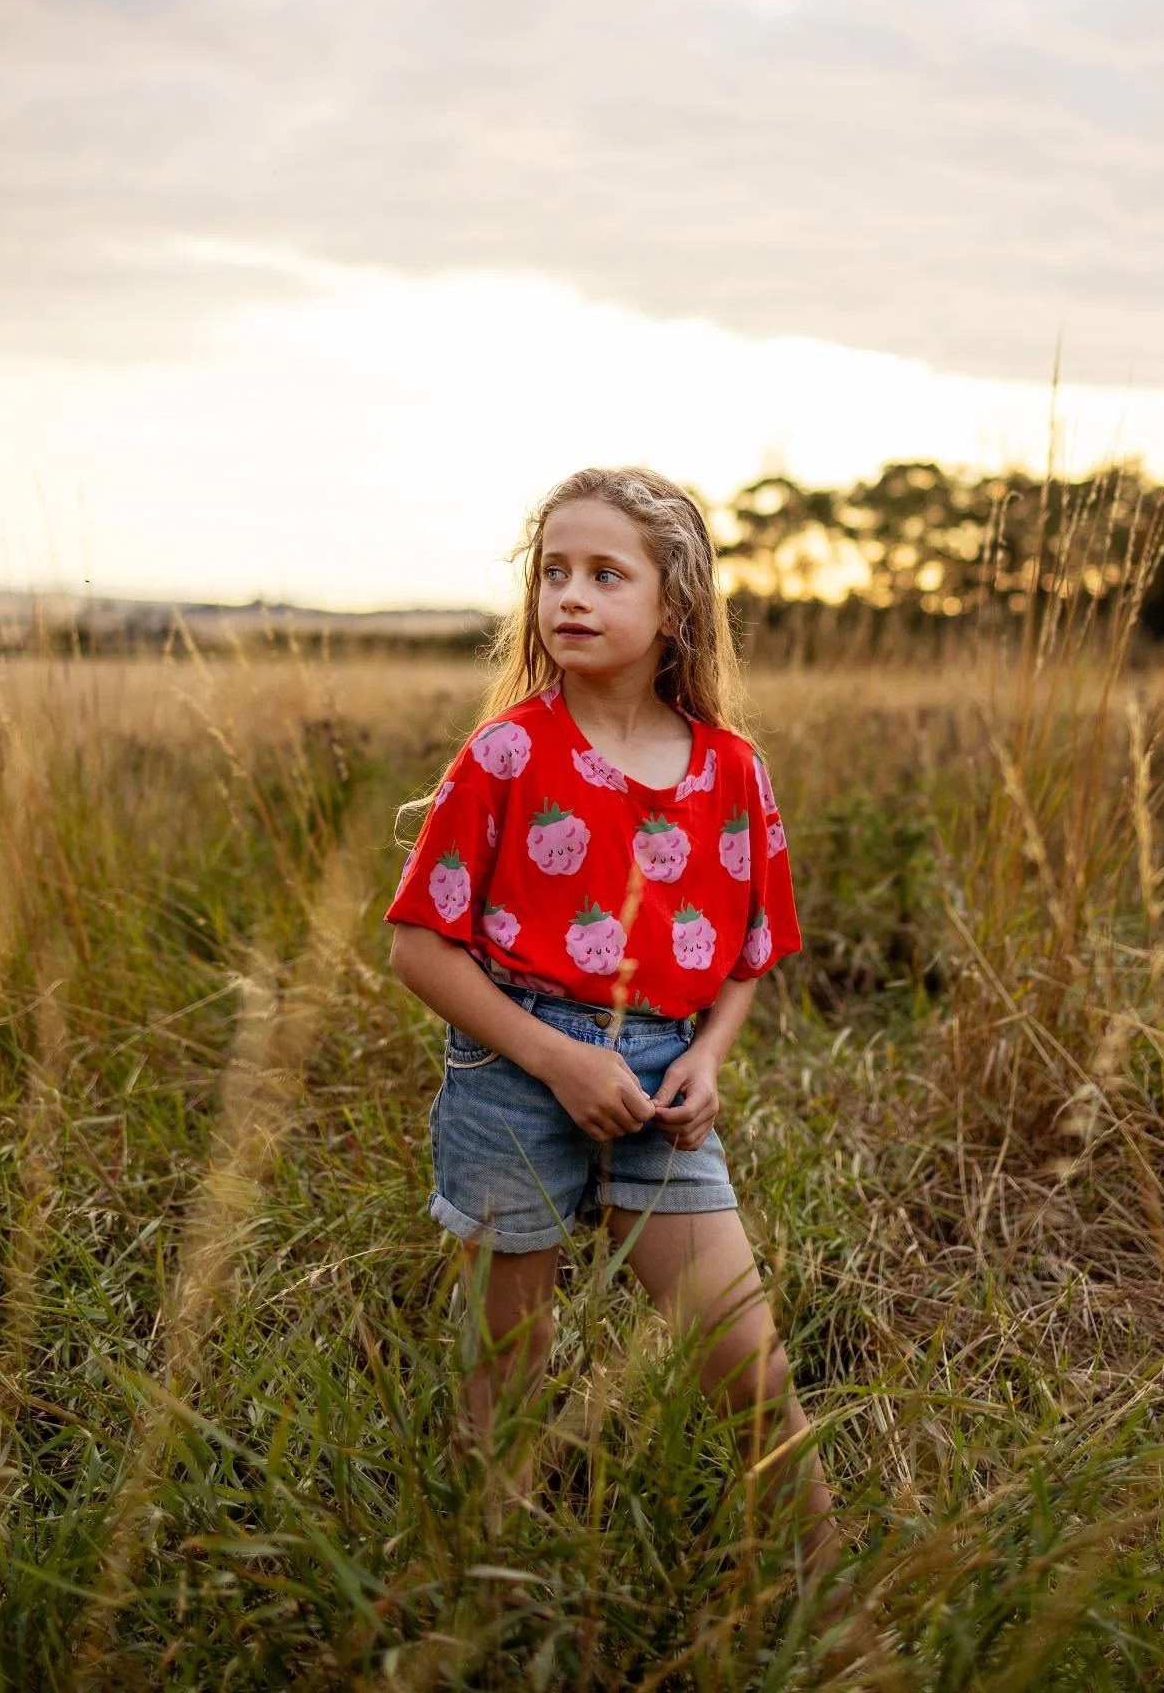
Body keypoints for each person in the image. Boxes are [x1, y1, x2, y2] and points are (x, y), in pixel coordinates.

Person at [385, 465, 841, 1590]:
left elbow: (748, 949)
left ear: (674, 607)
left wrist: (707, 1058)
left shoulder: (730, 769)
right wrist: (554, 1058)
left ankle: (846, 1605)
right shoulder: (507, 754)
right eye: (552, 574)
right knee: (508, 1376)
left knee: (752, 1370)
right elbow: (418, 947)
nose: (570, 597)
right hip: (513, 1065)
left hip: (660, 1095)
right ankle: (487, 1606)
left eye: (604, 574)